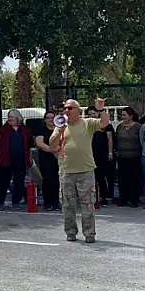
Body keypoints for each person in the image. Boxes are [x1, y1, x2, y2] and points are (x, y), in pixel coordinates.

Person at [48, 98, 109, 242]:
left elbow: (104, 123)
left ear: (78, 111)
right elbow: (51, 145)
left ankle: (89, 234)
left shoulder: (87, 123)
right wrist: (59, 132)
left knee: (87, 204)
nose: (66, 111)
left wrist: (100, 109)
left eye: (70, 108)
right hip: (66, 171)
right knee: (68, 204)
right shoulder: (60, 125)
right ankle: (70, 232)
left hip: (85, 170)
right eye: (65, 108)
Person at [0, 109, 32, 209]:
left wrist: (30, 158)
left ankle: (16, 202)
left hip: (21, 159)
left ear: (18, 118)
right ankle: (0, 202)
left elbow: (29, 146)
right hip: (6, 159)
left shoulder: (25, 130)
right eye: (9, 117)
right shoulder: (3, 130)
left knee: (19, 181)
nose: (9, 119)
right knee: (4, 181)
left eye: (12, 117)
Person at [114, 107, 142, 207]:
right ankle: (123, 199)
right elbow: (116, 140)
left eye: (125, 115)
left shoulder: (138, 127)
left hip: (134, 157)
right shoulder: (120, 127)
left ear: (131, 116)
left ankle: (134, 200)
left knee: (134, 179)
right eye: (122, 115)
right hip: (122, 156)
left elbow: (141, 140)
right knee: (122, 179)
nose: (123, 117)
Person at [34, 110, 61, 211]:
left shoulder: (60, 129)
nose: (50, 119)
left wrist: (57, 151)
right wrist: (52, 150)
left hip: (58, 157)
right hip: (46, 158)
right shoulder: (41, 130)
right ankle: (47, 203)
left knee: (56, 181)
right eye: (48, 118)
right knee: (47, 180)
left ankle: (56, 202)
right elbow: (40, 143)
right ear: (45, 120)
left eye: (52, 117)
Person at [87, 108, 115, 206]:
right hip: (90, 154)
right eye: (90, 114)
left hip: (103, 154)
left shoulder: (105, 125)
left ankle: (104, 198)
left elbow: (110, 139)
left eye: (93, 113)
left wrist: (110, 152)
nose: (92, 116)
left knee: (102, 177)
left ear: (98, 113)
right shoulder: (87, 125)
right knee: (92, 177)